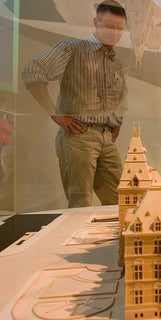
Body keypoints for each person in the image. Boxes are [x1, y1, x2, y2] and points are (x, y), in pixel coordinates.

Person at [22, 0, 128, 208]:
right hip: (79, 134)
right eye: (109, 26)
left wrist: (117, 121)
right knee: (80, 201)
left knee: (120, 199)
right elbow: (33, 69)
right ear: (96, 22)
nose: (115, 33)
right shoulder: (74, 49)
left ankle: (114, 240)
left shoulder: (115, 61)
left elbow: (120, 97)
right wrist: (55, 114)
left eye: (119, 29)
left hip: (107, 137)